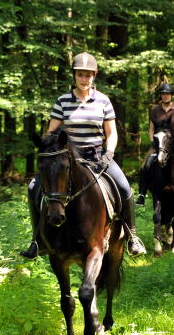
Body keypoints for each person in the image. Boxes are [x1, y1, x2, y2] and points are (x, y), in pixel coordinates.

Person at [21, 51, 146, 258]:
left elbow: (111, 133)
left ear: (94, 76)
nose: (84, 79)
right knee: (34, 187)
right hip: (68, 159)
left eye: (88, 75)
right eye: (80, 74)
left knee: (124, 187)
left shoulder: (103, 101)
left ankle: (132, 236)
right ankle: (37, 240)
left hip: (97, 156)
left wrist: (109, 153)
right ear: (74, 75)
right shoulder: (62, 101)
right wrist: (48, 148)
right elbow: (51, 132)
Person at [135, 83, 174, 206]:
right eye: (163, 94)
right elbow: (151, 129)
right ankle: (142, 194)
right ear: (160, 95)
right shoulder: (155, 110)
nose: (165, 96)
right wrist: (152, 141)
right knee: (145, 165)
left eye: (167, 94)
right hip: (159, 144)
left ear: (171, 95)